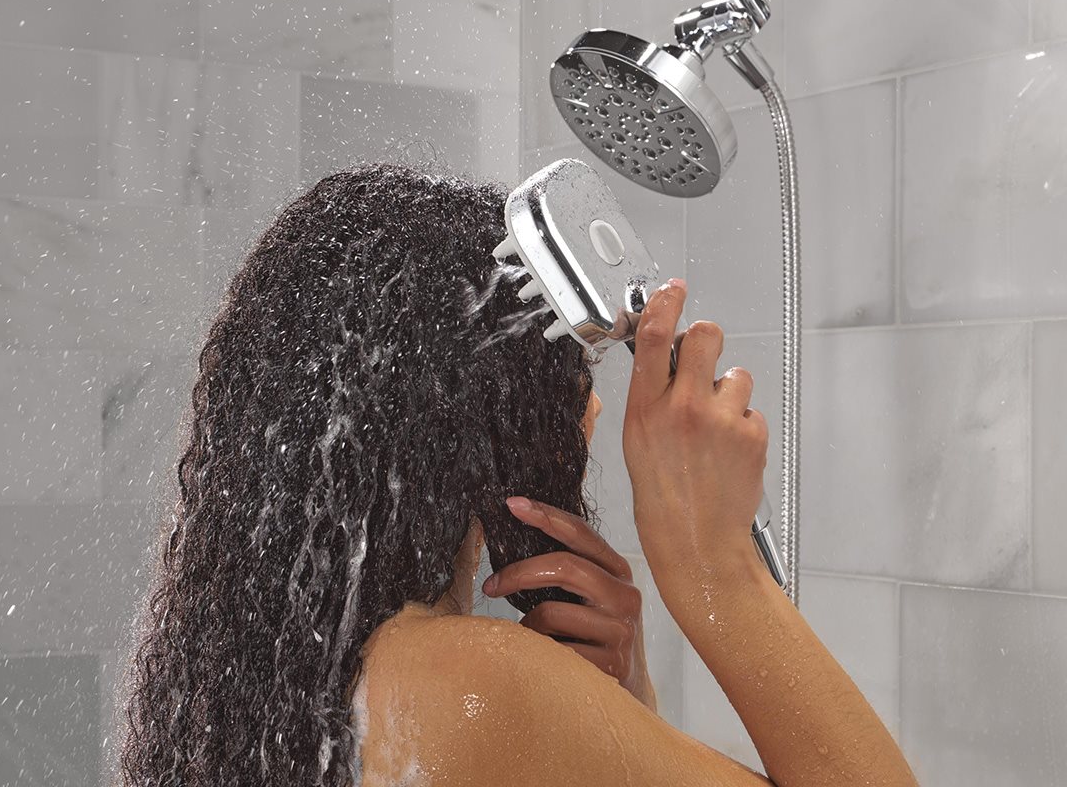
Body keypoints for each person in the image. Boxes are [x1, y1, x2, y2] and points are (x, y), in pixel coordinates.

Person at [116, 164, 918, 787]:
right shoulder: (470, 688)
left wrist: (617, 704)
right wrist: (717, 569)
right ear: (461, 406)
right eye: (555, 374)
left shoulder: (253, 687)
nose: (591, 415)